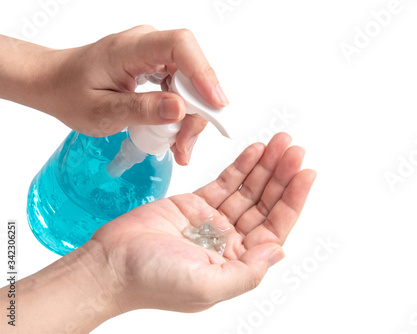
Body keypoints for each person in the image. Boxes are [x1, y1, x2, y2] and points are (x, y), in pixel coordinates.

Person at [0, 26, 316, 333]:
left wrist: (109, 269)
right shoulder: (102, 131)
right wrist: (49, 74)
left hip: (79, 241)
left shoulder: (156, 169)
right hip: (43, 207)